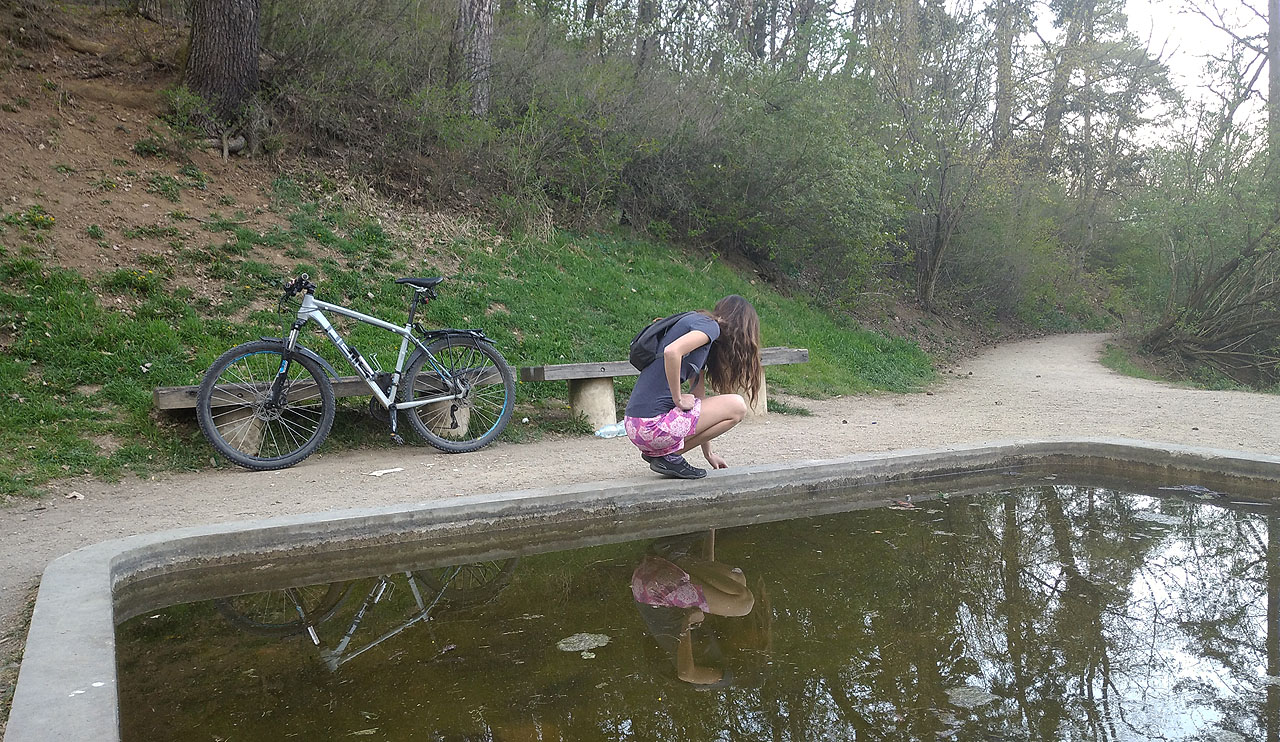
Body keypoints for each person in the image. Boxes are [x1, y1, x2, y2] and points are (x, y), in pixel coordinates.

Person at [623, 295, 763, 479]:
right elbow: (672, 352)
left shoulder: (699, 338)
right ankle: (669, 456)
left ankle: (667, 457)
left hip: (636, 426)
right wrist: (678, 398)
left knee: (724, 407)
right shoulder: (709, 326)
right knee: (737, 406)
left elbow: (700, 404)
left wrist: (708, 454)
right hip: (652, 426)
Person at [631, 530, 756, 686]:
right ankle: (674, 555)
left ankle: (674, 556)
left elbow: (686, 674)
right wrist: (711, 530)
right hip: (649, 580)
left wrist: (687, 624)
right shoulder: (715, 641)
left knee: (744, 604)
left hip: (654, 591)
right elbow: (707, 576)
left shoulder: (728, 678)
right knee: (736, 578)